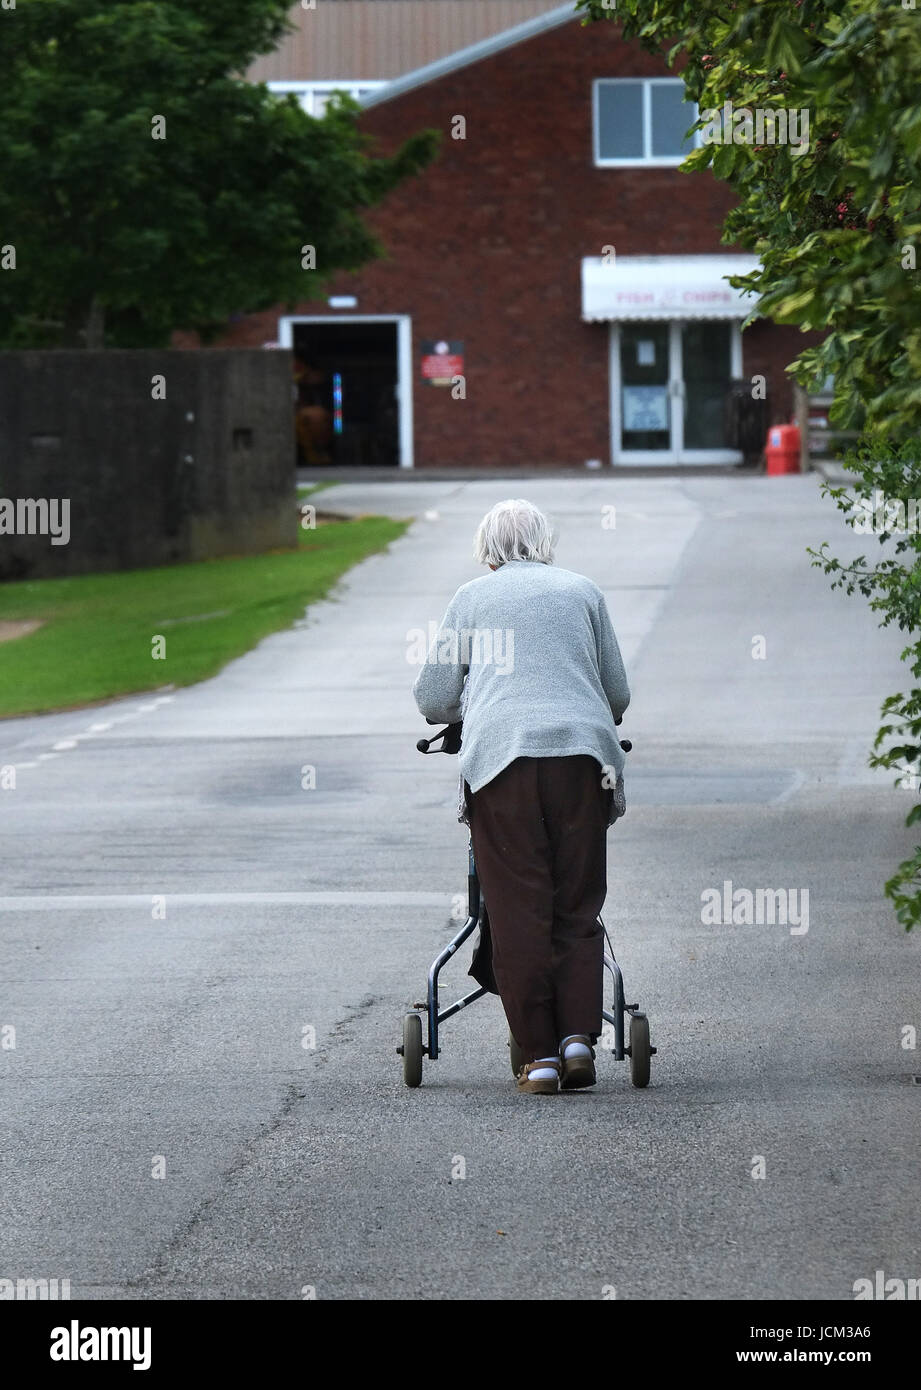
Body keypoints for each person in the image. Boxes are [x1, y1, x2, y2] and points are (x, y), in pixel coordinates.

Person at [412, 499, 630, 1095]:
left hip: (501, 765)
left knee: (517, 908)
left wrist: (479, 704)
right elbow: (617, 691)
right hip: (584, 762)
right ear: (545, 541)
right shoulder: (584, 592)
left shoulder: (472, 599)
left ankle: (538, 1059)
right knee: (577, 900)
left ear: (487, 548)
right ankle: (580, 1039)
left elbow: (432, 697)